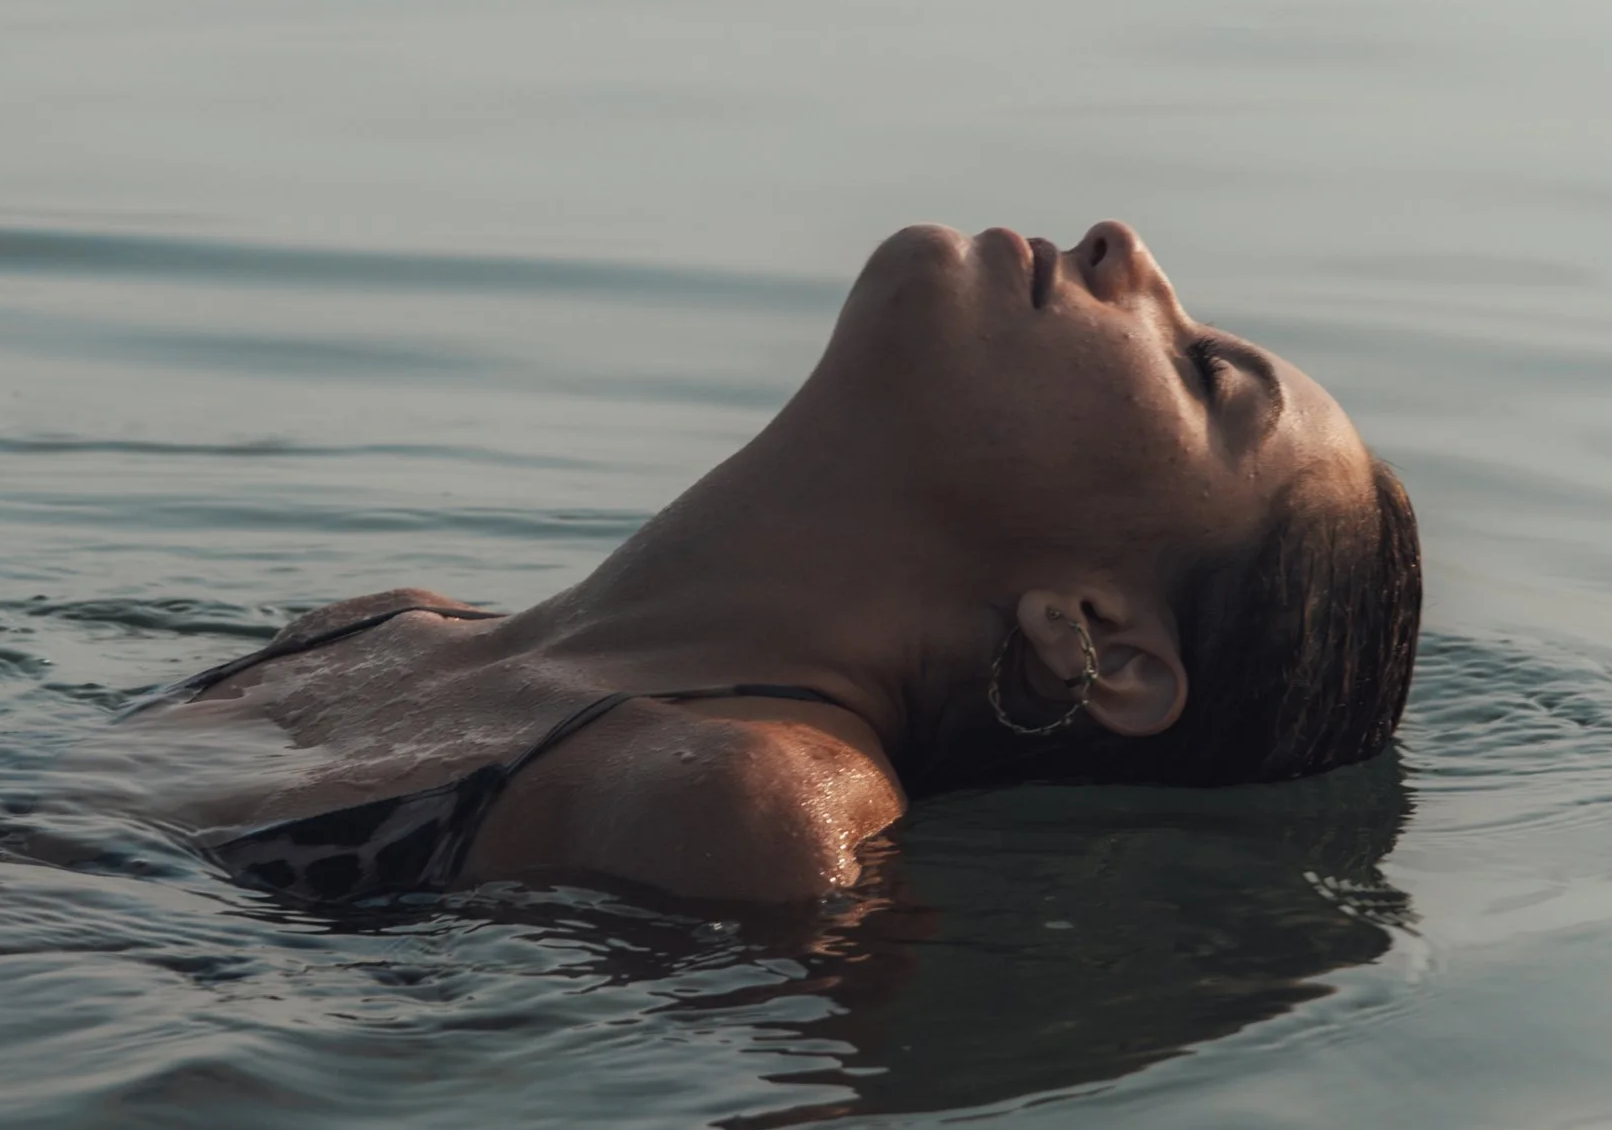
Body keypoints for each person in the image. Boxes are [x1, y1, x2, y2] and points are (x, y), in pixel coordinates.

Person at [115, 218, 1421, 908]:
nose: (1124, 248)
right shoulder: (389, 625)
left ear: (1103, 634)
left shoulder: (750, 809)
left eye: (1199, 372)